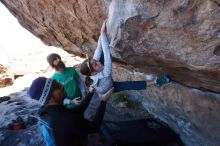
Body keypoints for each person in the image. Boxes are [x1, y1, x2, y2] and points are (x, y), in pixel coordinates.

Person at [80, 21, 171, 120]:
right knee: (130, 84)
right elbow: (106, 52)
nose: (98, 62)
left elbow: (98, 49)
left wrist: (101, 33)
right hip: (110, 87)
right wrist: (103, 34)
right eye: (95, 64)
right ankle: (156, 81)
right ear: (93, 73)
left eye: (95, 61)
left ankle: (155, 81)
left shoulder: (94, 68)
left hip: (103, 84)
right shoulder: (106, 73)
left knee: (100, 53)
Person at [28, 76, 114, 146]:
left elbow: (76, 111)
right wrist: (103, 101)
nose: (62, 85)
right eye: (57, 87)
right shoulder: (65, 119)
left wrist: (90, 93)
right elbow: (94, 127)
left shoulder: (46, 111)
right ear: (49, 97)